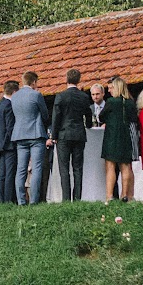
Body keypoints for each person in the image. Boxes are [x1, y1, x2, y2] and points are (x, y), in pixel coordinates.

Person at [50, 69, 93, 202]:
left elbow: (56, 117)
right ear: (78, 80)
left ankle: (66, 199)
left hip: (63, 134)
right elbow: (88, 114)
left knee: (64, 168)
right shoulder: (84, 97)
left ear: (66, 79)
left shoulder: (61, 96)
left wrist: (54, 135)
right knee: (78, 167)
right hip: (79, 133)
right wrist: (89, 125)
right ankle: (77, 197)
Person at [95, 76, 138, 203]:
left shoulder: (111, 102)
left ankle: (109, 196)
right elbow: (134, 118)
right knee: (125, 166)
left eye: (111, 88)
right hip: (126, 136)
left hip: (112, 136)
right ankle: (125, 195)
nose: (110, 91)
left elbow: (101, 117)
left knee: (110, 166)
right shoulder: (130, 102)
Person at [10, 72, 51, 205]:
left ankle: (21, 200)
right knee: (36, 167)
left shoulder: (14, 97)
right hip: (35, 134)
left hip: (20, 135)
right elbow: (45, 115)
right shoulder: (36, 95)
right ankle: (33, 200)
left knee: (21, 169)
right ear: (33, 82)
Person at [0, 81, 18, 203]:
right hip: (8, 144)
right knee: (9, 173)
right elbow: (10, 127)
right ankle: (8, 200)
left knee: (2, 174)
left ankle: (1, 199)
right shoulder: (9, 105)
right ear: (14, 92)